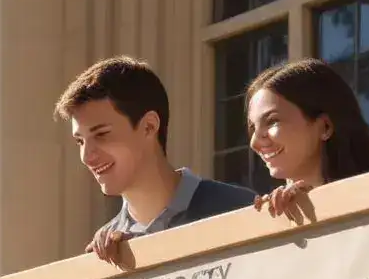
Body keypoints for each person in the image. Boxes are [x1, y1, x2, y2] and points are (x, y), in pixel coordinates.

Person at [54, 56, 255, 267]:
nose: (87, 156)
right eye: (80, 142)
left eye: (101, 135)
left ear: (149, 126)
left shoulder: (239, 208)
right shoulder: (104, 253)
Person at [246, 58, 369, 220]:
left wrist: (320, 199)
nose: (255, 142)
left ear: (325, 126)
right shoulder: (269, 214)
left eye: (271, 121)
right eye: (252, 128)